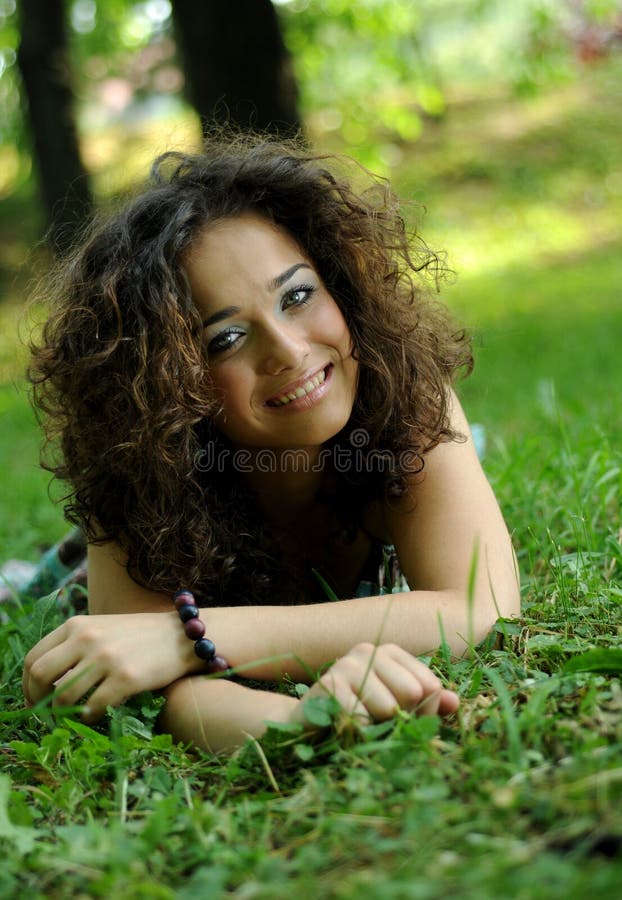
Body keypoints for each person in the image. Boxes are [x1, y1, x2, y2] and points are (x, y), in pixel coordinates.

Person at [22, 134, 520, 752]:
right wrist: (306, 722)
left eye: (298, 295)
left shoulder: (405, 391)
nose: (289, 352)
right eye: (225, 339)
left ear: (340, 282)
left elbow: (480, 610)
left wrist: (183, 637)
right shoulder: (139, 469)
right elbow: (162, 692)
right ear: (166, 385)